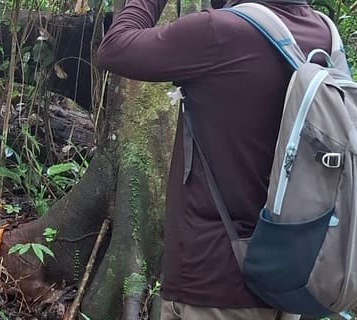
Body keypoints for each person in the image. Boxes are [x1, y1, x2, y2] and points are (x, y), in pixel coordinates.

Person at [97, 0, 331, 319]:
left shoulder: (219, 32)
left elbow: (115, 47)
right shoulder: (324, 34)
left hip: (213, 286)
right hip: (288, 278)